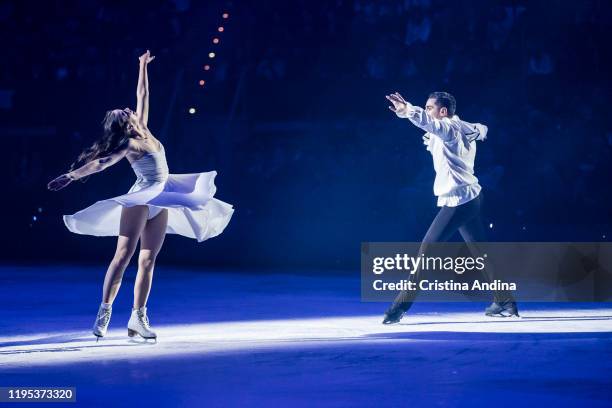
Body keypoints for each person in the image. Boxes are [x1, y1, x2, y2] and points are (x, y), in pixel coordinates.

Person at [47, 51, 234, 340]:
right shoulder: (130, 144)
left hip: (163, 196)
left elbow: (143, 94)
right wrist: (71, 175)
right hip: (141, 198)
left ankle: (138, 318)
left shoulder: (145, 129)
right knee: (123, 256)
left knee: (148, 261)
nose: (130, 109)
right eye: (127, 112)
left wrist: (141, 66)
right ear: (125, 123)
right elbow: (101, 163)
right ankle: (104, 311)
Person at [382, 91, 518, 324]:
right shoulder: (462, 126)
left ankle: (398, 308)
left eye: (429, 108)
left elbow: (427, 122)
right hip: (472, 198)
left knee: (425, 252)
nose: (427, 112)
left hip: (458, 203)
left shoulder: (448, 129)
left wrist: (408, 111)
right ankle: (505, 301)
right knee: (480, 253)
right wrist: (473, 131)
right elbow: (481, 128)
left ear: (443, 112)